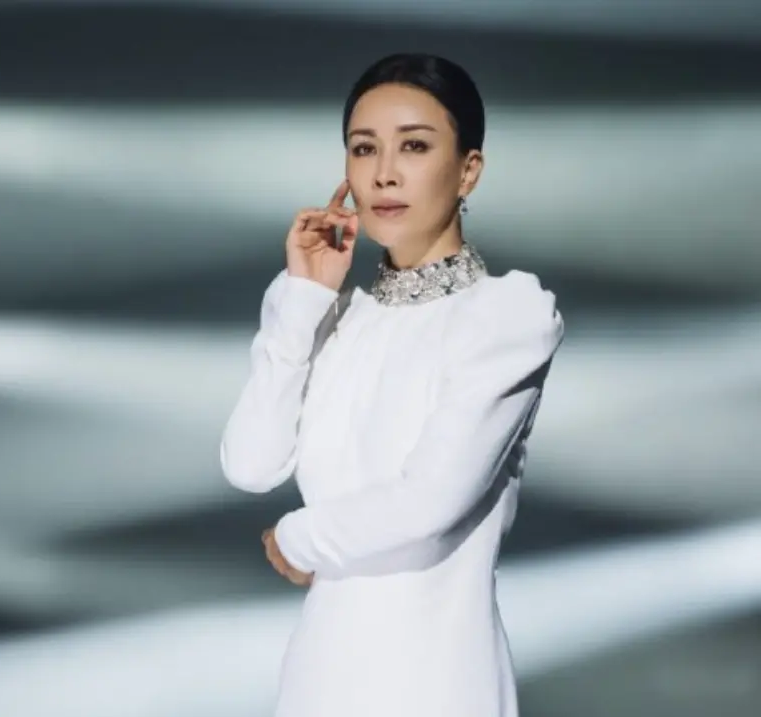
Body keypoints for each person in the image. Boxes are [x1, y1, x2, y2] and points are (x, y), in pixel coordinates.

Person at [220, 52, 564, 717]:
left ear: (468, 169)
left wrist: (295, 538)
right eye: (363, 148)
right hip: (321, 676)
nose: (384, 172)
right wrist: (302, 298)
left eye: (414, 145)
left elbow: (429, 503)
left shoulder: (506, 314)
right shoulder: (338, 316)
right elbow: (250, 464)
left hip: (436, 676)